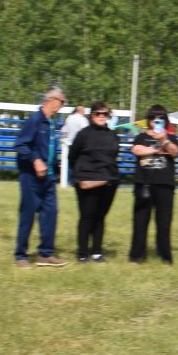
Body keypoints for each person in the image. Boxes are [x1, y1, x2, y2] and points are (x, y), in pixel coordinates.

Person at [13, 87, 66, 268]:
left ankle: (46, 254)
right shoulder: (35, 120)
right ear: (51, 100)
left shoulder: (51, 123)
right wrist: (35, 160)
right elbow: (21, 145)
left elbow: (49, 149)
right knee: (28, 214)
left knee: (50, 214)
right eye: (61, 102)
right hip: (31, 178)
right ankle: (21, 256)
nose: (62, 106)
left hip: (49, 178)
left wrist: (56, 167)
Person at [67, 102, 120, 262]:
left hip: (109, 181)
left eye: (105, 114)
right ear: (91, 115)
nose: (102, 116)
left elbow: (114, 156)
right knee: (87, 216)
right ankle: (83, 253)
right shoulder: (83, 134)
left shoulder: (113, 135)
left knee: (100, 217)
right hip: (87, 180)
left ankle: (97, 251)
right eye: (98, 113)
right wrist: (82, 174)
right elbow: (72, 156)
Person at [128, 104, 178, 264]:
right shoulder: (141, 136)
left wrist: (164, 141)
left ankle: (165, 256)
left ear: (166, 120)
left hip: (165, 184)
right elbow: (136, 150)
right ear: (148, 120)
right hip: (143, 184)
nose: (156, 121)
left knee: (164, 223)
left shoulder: (171, 137)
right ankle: (136, 255)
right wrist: (155, 150)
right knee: (140, 222)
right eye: (153, 118)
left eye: (161, 118)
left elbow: (175, 152)